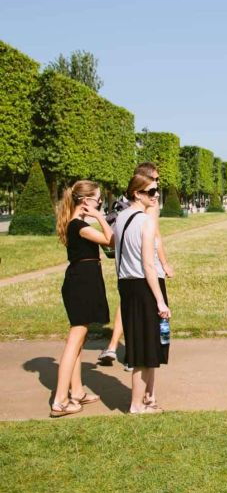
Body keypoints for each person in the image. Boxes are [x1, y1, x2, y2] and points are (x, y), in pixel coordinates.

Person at [99, 163, 174, 368]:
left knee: (127, 308)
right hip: (146, 267)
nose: (158, 186)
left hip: (125, 271)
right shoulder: (151, 205)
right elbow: (154, 236)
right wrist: (164, 263)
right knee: (151, 320)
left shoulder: (125, 206)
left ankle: (116, 347)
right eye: (155, 180)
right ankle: (141, 362)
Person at [50, 181, 114, 417]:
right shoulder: (80, 225)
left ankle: (76, 392)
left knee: (78, 339)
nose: (100, 202)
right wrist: (100, 216)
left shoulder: (75, 224)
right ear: (86, 201)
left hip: (81, 280)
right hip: (82, 283)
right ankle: (60, 400)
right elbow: (111, 240)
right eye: (98, 199)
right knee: (74, 340)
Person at [114, 173, 172, 414]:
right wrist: (160, 300)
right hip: (145, 285)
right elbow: (148, 265)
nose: (156, 195)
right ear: (137, 193)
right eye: (151, 191)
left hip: (127, 285)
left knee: (142, 343)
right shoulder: (146, 222)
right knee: (146, 346)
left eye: (157, 190)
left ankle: (147, 398)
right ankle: (137, 404)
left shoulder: (120, 218)